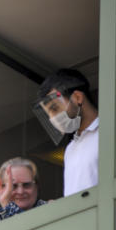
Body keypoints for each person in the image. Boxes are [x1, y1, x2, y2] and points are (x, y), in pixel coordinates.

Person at [33, 68, 99, 196]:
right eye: (48, 114)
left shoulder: (112, 131)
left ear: (77, 97)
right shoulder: (70, 150)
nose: (52, 118)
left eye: (54, 108)